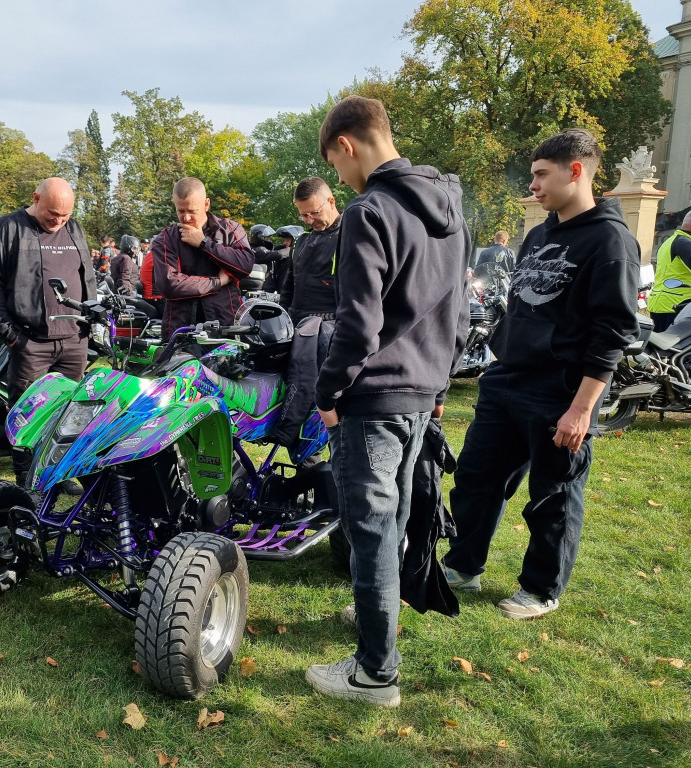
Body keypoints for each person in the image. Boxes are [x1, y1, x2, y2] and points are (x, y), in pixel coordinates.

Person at [305, 95, 470, 707]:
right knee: (394, 516)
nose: (342, 179)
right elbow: (460, 312)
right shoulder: (452, 207)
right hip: (422, 390)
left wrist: (328, 391)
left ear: (346, 146)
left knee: (372, 529)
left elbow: (357, 324)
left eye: (336, 165)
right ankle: (377, 620)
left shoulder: (368, 211)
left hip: (373, 397)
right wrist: (442, 382)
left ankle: (374, 673)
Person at [442, 129, 640, 622]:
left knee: (552, 497)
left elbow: (613, 331)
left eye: (540, 175)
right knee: (474, 479)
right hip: (507, 379)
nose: (532, 186)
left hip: (562, 392)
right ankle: (464, 565)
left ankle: (541, 589)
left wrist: (581, 409)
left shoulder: (611, 239)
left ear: (576, 171)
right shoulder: (539, 232)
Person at [0, 177, 98, 488]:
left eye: (65, 215)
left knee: (69, 411)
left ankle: (58, 473)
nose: (58, 221)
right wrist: (11, 335)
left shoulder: (75, 230)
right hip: (30, 340)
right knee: (28, 413)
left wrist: (89, 321)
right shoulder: (2, 230)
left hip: (73, 338)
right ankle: (28, 480)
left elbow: (88, 278)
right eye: (53, 213)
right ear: (35, 198)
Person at [150, 177, 254, 342]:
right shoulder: (165, 238)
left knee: (226, 368)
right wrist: (218, 282)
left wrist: (204, 243)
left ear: (206, 204)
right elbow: (169, 284)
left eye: (192, 211)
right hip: (181, 331)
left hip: (224, 326)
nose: (186, 218)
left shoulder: (230, 230)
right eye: (180, 211)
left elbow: (245, 265)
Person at [281, 177, 341, 323]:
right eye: (303, 215)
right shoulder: (301, 240)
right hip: (296, 324)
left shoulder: (350, 236)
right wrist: (281, 318)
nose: (309, 220)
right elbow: (288, 287)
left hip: (330, 327)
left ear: (331, 202)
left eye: (314, 213)